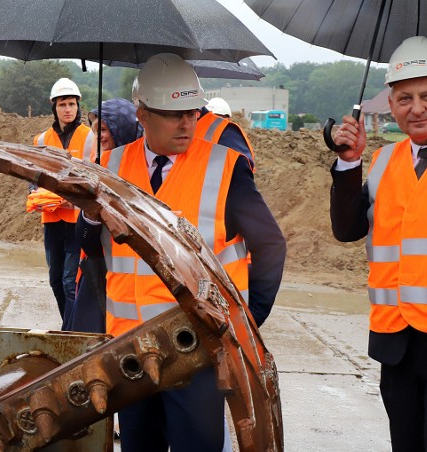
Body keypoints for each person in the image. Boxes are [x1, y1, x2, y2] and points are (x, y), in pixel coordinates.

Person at [84, 53, 285, 452]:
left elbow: (270, 246)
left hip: (196, 352)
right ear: (141, 114)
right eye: (173, 114)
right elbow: (92, 248)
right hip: (132, 350)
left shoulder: (226, 168)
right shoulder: (110, 167)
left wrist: (247, 319)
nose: (187, 122)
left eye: (192, 112)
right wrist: (90, 216)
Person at [330, 36, 427, 451]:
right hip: (397, 344)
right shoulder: (384, 161)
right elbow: (347, 229)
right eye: (404, 97)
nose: (417, 108)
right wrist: (348, 162)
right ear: (390, 104)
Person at [66, 97, 142, 333]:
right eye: (95, 130)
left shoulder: (144, 173)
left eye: (104, 129)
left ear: (124, 127)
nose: (99, 136)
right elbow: (86, 241)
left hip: (136, 286)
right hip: (96, 277)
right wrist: (90, 213)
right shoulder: (97, 169)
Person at [31, 77, 95, 324]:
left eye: (71, 104)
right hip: (51, 219)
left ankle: (69, 330)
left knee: (70, 280)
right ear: (54, 107)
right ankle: (67, 323)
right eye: (62, 105)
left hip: (75, 220)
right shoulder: (41, 140)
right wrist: (35, 194)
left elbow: (92, 178)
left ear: (78, 106)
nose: (68, 109)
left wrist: (76, 200)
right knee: (55, 279)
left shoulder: (88, 137)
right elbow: (33, 177)